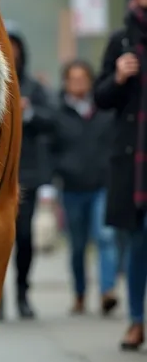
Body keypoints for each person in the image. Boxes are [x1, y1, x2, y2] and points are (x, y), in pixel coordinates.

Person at [94, 0, 147, 351]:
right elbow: (100, 97)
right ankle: (135, 320)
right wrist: (118, 76)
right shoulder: (121, 40)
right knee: (138, 241)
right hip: (134, 160)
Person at [51, 59, 118, 315]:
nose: (78, 83)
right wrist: (58, 172)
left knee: (105, 237)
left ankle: (107, 291)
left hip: (102, 184)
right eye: (73, 79)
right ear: (66, 82)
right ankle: (79, 293)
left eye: (83, 78)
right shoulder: (58, 113)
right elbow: (51, 148)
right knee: (78, 246)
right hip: (71, 188)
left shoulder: (104, 110)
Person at [5, 21, 55, 318]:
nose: (11, 51)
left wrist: (29, 113)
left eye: (15, 45)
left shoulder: (36, 88)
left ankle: (23, 291)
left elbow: (54, 121)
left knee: (24, 237)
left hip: (29, 173)